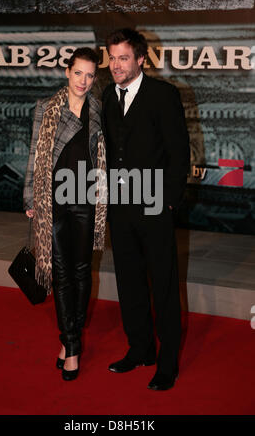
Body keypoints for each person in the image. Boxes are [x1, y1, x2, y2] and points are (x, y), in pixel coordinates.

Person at [102, 28, 190, 391]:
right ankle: (140, 349)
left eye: (124, 57)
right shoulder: (107, 95)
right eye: (112, 57)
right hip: (120, 206)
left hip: (154, 203)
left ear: (141, 59)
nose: (116, 65)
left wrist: (168, 200)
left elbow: (179, 152)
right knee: (129, 281)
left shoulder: (163, 95)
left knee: (164, 284)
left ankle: (167, 362)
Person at [23, 47, 107, 381]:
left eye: (90, 75)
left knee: (83, 270)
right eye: (78, 73)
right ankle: (72, 344)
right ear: (66, 72)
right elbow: (34, 153)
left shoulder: (98, 109)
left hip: (86, 197)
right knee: (60, 271)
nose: (83, 81)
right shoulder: (46, 108)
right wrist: (29, 194)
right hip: (53, 199)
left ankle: (69, 335)